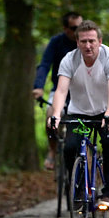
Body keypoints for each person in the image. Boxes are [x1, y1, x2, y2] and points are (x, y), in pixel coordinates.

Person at [50, 20, 109, 209]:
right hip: (80, 113)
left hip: (108, 109)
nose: (88, 45)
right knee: (69, 147)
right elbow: (61, 91)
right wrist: (57, 114)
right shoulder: (70, 59)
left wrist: (108, 114)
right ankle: (78, 188)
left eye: (92, 41)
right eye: (83, 41)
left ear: (99, 41)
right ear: (77, 43)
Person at [32, 12, 83, 170]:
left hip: (82, 92)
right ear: (66, 29)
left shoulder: (86, 43)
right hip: (60, 90)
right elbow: (45, 64)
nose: (78, 31)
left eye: (80, 27)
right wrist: (38, 86)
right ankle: (52, 150)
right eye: (74, 28)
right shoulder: (56, 42)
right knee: (50, 116)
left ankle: (84, 154)